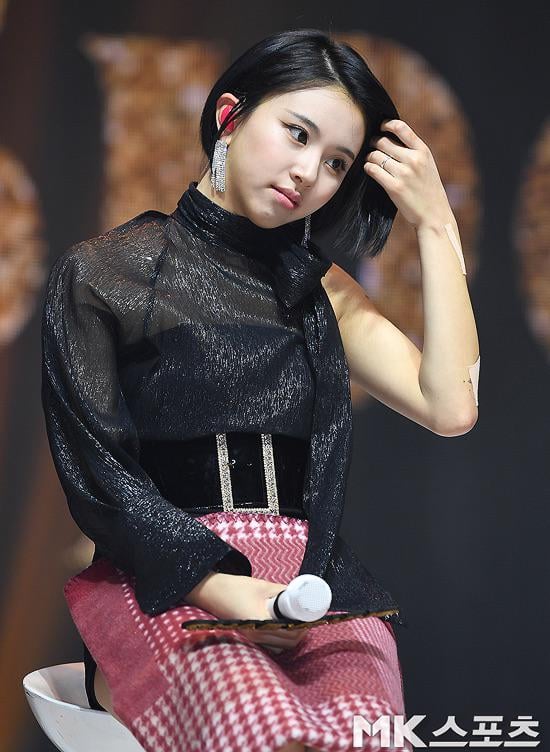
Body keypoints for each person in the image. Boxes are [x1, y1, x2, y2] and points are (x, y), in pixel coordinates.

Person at [41, 28, 479, 752]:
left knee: (370, 737)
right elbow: (100, 477)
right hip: (167, 578)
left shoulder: (321, 294)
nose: (309, 173)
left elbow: (451, 405)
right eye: (297, 133)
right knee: (269, 731)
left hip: (309, 580)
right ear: (230, 116)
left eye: (336, 162)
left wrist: (435, 223)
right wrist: (219, 584)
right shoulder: (105, 272)